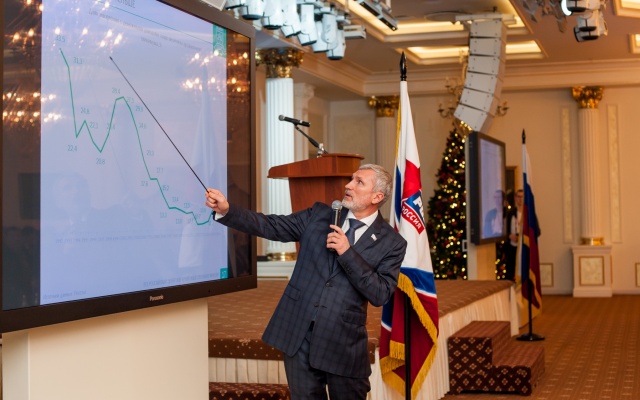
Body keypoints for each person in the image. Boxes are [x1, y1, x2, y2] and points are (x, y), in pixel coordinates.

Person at [205, 164, 407, 400]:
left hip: (343, 343)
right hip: (299, 334)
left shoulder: (392, 243)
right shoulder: (320, 215)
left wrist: (347, 252)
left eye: (359, 182)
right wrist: (228, 210)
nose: (348, 185)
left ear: (377, 197)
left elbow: (380, 293)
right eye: (351, 179)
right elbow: (272, 225)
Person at [504, 189, 524, 281]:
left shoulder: (529, 215)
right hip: (512, 248)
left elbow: (537, 231)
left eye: (522, 197)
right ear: (515, 198)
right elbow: (504, 230)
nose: (520, 199)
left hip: (524, 248)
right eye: (518, 197)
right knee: (510, 271)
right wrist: (509, 235)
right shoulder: (510, 214)